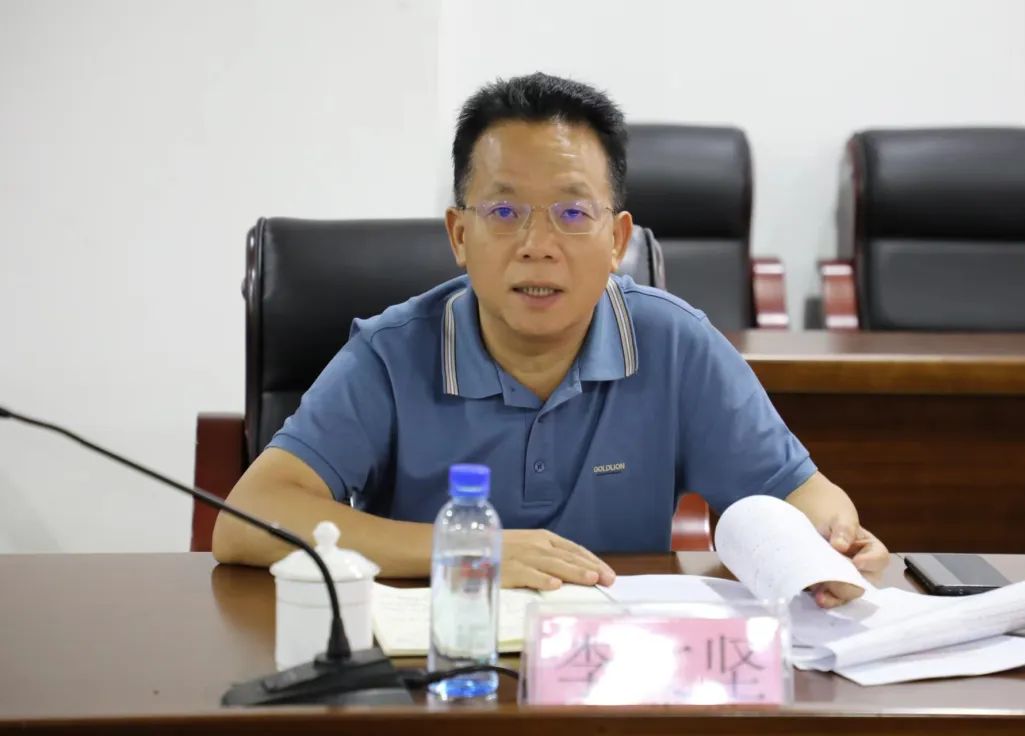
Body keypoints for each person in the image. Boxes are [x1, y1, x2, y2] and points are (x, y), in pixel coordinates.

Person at [213, 72, 888, 607]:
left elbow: (802, 494)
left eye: (571, 212)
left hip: (618, 677)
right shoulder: (392, 353)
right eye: (505, 211)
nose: (537, 245)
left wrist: (834, 539)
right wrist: (470, 551)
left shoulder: (675, 343)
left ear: (617, 240)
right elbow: (246, 519)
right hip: (441, 671)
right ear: (459, 235)